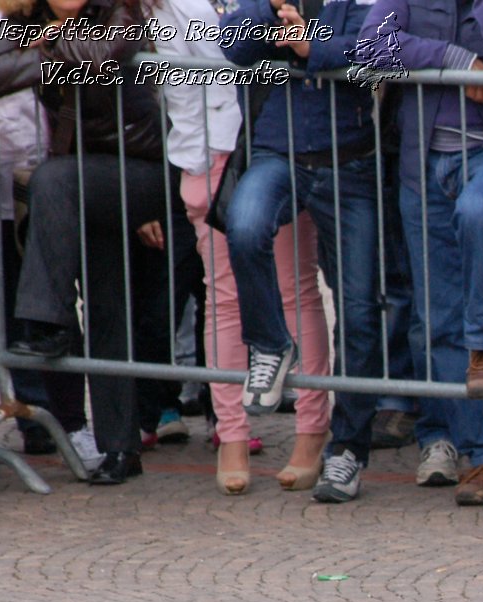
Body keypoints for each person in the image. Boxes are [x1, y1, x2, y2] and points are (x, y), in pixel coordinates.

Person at [356, 0, 483, 506]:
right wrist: (457, 61)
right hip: (422, 165)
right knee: (438, 317)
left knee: (478, 212)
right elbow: (372, 45)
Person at [0, 0, 179, 485]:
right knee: (109, 302)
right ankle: (119, 447)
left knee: (51, 179)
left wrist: (44, 46)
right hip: (80, 183)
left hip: (142, 171)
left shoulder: (120, 11)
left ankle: (43, 320)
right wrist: (48, 43)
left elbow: (101, 53)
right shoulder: (22, 20)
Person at [157, 0, 331, 495]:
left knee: (296, 290)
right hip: (212, 156)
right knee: (224, 299)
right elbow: (177, 80)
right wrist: (194, 167)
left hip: (275, 145)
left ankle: (312, 430)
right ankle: (231, 434)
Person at [218, 0, 384, 502]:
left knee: (358, 311)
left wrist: (312, 45)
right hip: (278, 152)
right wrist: (274, 18)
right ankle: (271, 343)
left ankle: (348, 450)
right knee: (243, 227)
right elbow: (230, 41)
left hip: (350, 163)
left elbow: (384, 48)